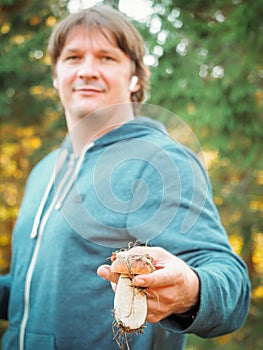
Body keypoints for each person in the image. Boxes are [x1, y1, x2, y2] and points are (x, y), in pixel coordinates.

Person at [0, 5, 250, 350]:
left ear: (135, 77)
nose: (87, 70)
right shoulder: (45, 170)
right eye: (73, 58)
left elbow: (231, 284)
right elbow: (33, 291)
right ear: (56, 76)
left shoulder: (159, 162)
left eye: (106, 58)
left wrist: (189, 290)